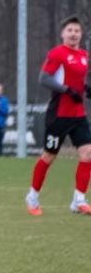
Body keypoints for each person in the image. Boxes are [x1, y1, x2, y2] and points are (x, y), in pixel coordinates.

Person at [24, 15, 90, 216]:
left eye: (77, 30)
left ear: (81, 34)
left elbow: (77, 81)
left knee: (88, 153)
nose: (73, 34)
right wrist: (66, 90)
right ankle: (32, 197)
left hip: (78, 115)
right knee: (48, 156)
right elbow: (44, 78)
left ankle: (78, 200)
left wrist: (86, 88)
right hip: (59, 115)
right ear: (63, 34)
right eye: (70, 30)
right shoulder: (57, 53)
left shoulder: (84, 55)